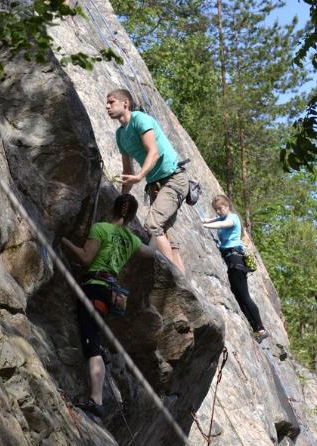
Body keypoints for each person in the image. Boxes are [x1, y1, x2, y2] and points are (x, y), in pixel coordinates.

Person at [61, 194, 153, 418]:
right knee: (96, 340)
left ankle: (96, 399)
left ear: (113, 208)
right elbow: (151, 253)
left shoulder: (101, 228)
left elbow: (85, 258)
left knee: (91, 346)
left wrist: (63, 240)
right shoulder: (131, 240)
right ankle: (97, 393)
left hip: (94, 288)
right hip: (111, 293)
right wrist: (155, 234)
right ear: (131, 216)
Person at [106, 89, 188, 273]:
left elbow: (154, 151)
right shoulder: (120, 135)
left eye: (111, 102)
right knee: (167, 239)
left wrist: (140, 176)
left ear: (125, 103)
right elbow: (128, 172)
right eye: (107, 103)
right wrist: (121, 205)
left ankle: (173, 278)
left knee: (152, 224)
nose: (107, 106)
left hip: (173, 178)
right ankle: (186, 289)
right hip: (156, 186)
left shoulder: (140, 120)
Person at [202, 195, 268, 343]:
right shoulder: (222, 217)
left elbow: (222, 225)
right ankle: (256, 328)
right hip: (231, 258)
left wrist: (204, 226)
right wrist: (205, 220)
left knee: (244, 295)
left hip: (235, 259)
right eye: (216, 209)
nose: (218, 211)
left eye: (220, 208)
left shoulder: (233, 218)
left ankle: (261, 328)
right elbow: (213, 220)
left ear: (227, 206)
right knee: (238, 296)